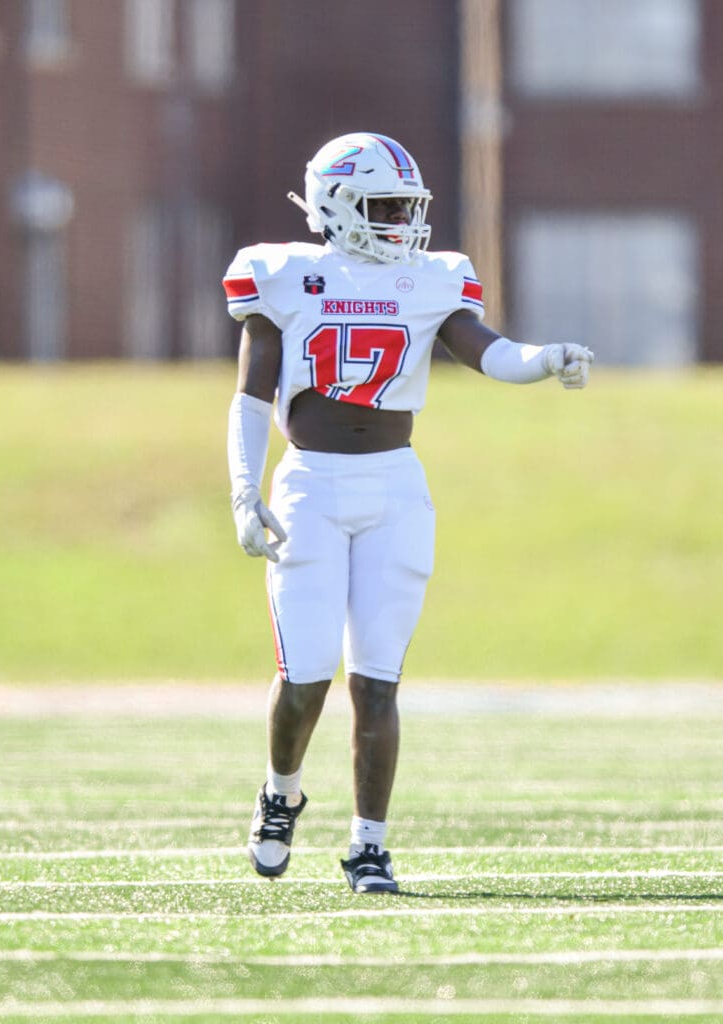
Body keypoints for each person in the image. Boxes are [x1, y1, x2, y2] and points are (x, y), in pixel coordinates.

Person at [223, 132, 593, 894]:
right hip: (311, 486)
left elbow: (486, 350)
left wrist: (543, 358)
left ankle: (369, 846)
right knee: (305, 677)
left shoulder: (429, 279)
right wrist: (243, 489)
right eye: (385, 207)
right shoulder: (284, 274)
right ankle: (281, 791)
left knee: (377, 682)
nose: (401, 222)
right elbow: (252, 395)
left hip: (393, 487)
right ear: (336, 204)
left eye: (405, 207)